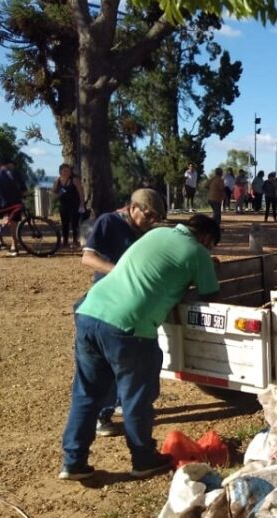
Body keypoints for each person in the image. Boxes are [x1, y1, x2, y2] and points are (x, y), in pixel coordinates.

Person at [59, 213, 221, 481]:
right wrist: (205, 267)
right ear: (205, 238)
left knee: (87, 394)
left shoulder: (156, 233)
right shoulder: (197, 253)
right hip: (129, 326)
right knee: (136, 397)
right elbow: (210, 295)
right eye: (210, 246)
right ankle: (144, 460)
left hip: (90, 312)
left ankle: (73, 462)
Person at [81, 188, 166, 437]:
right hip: (110, 302)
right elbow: (88, 258)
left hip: (136, 305)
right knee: (110, 362)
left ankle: (123, 403)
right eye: (148, 216)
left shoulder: (145, 232)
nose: (151, 222)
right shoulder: (109, 222)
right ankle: (101, 415)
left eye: (156, 219)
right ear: (133, 207)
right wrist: (120, 272)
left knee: (146, 358)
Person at [52, 163, 86, 249]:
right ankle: (65, 242)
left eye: (68, 171)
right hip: (63, 205)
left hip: (74, 205)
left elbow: (81, 192)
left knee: (74, 224)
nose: (66, 172)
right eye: (64, 171)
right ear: (60, 172)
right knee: (64, 224)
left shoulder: (74, 180)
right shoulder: (57, 181)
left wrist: (82, 204)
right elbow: (54, 194)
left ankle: (75, 241)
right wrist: (59, 194)